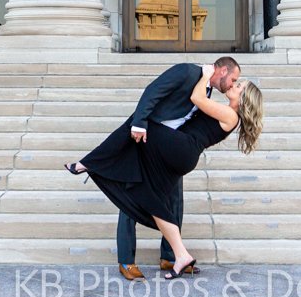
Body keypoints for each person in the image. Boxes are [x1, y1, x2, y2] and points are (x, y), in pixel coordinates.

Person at [66, 57, 262, 281]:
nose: (233, 85)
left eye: (238, 85)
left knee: (139, 128)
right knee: (152, 194)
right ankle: (175, 255)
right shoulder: (194, 80)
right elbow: (161, 94)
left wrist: (205, 75)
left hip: (179, 148)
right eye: (235, 81)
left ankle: (89, 163)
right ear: (224, 70)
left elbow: (196, 99)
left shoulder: (227, 112)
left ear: (244, 98)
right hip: (176, 150)